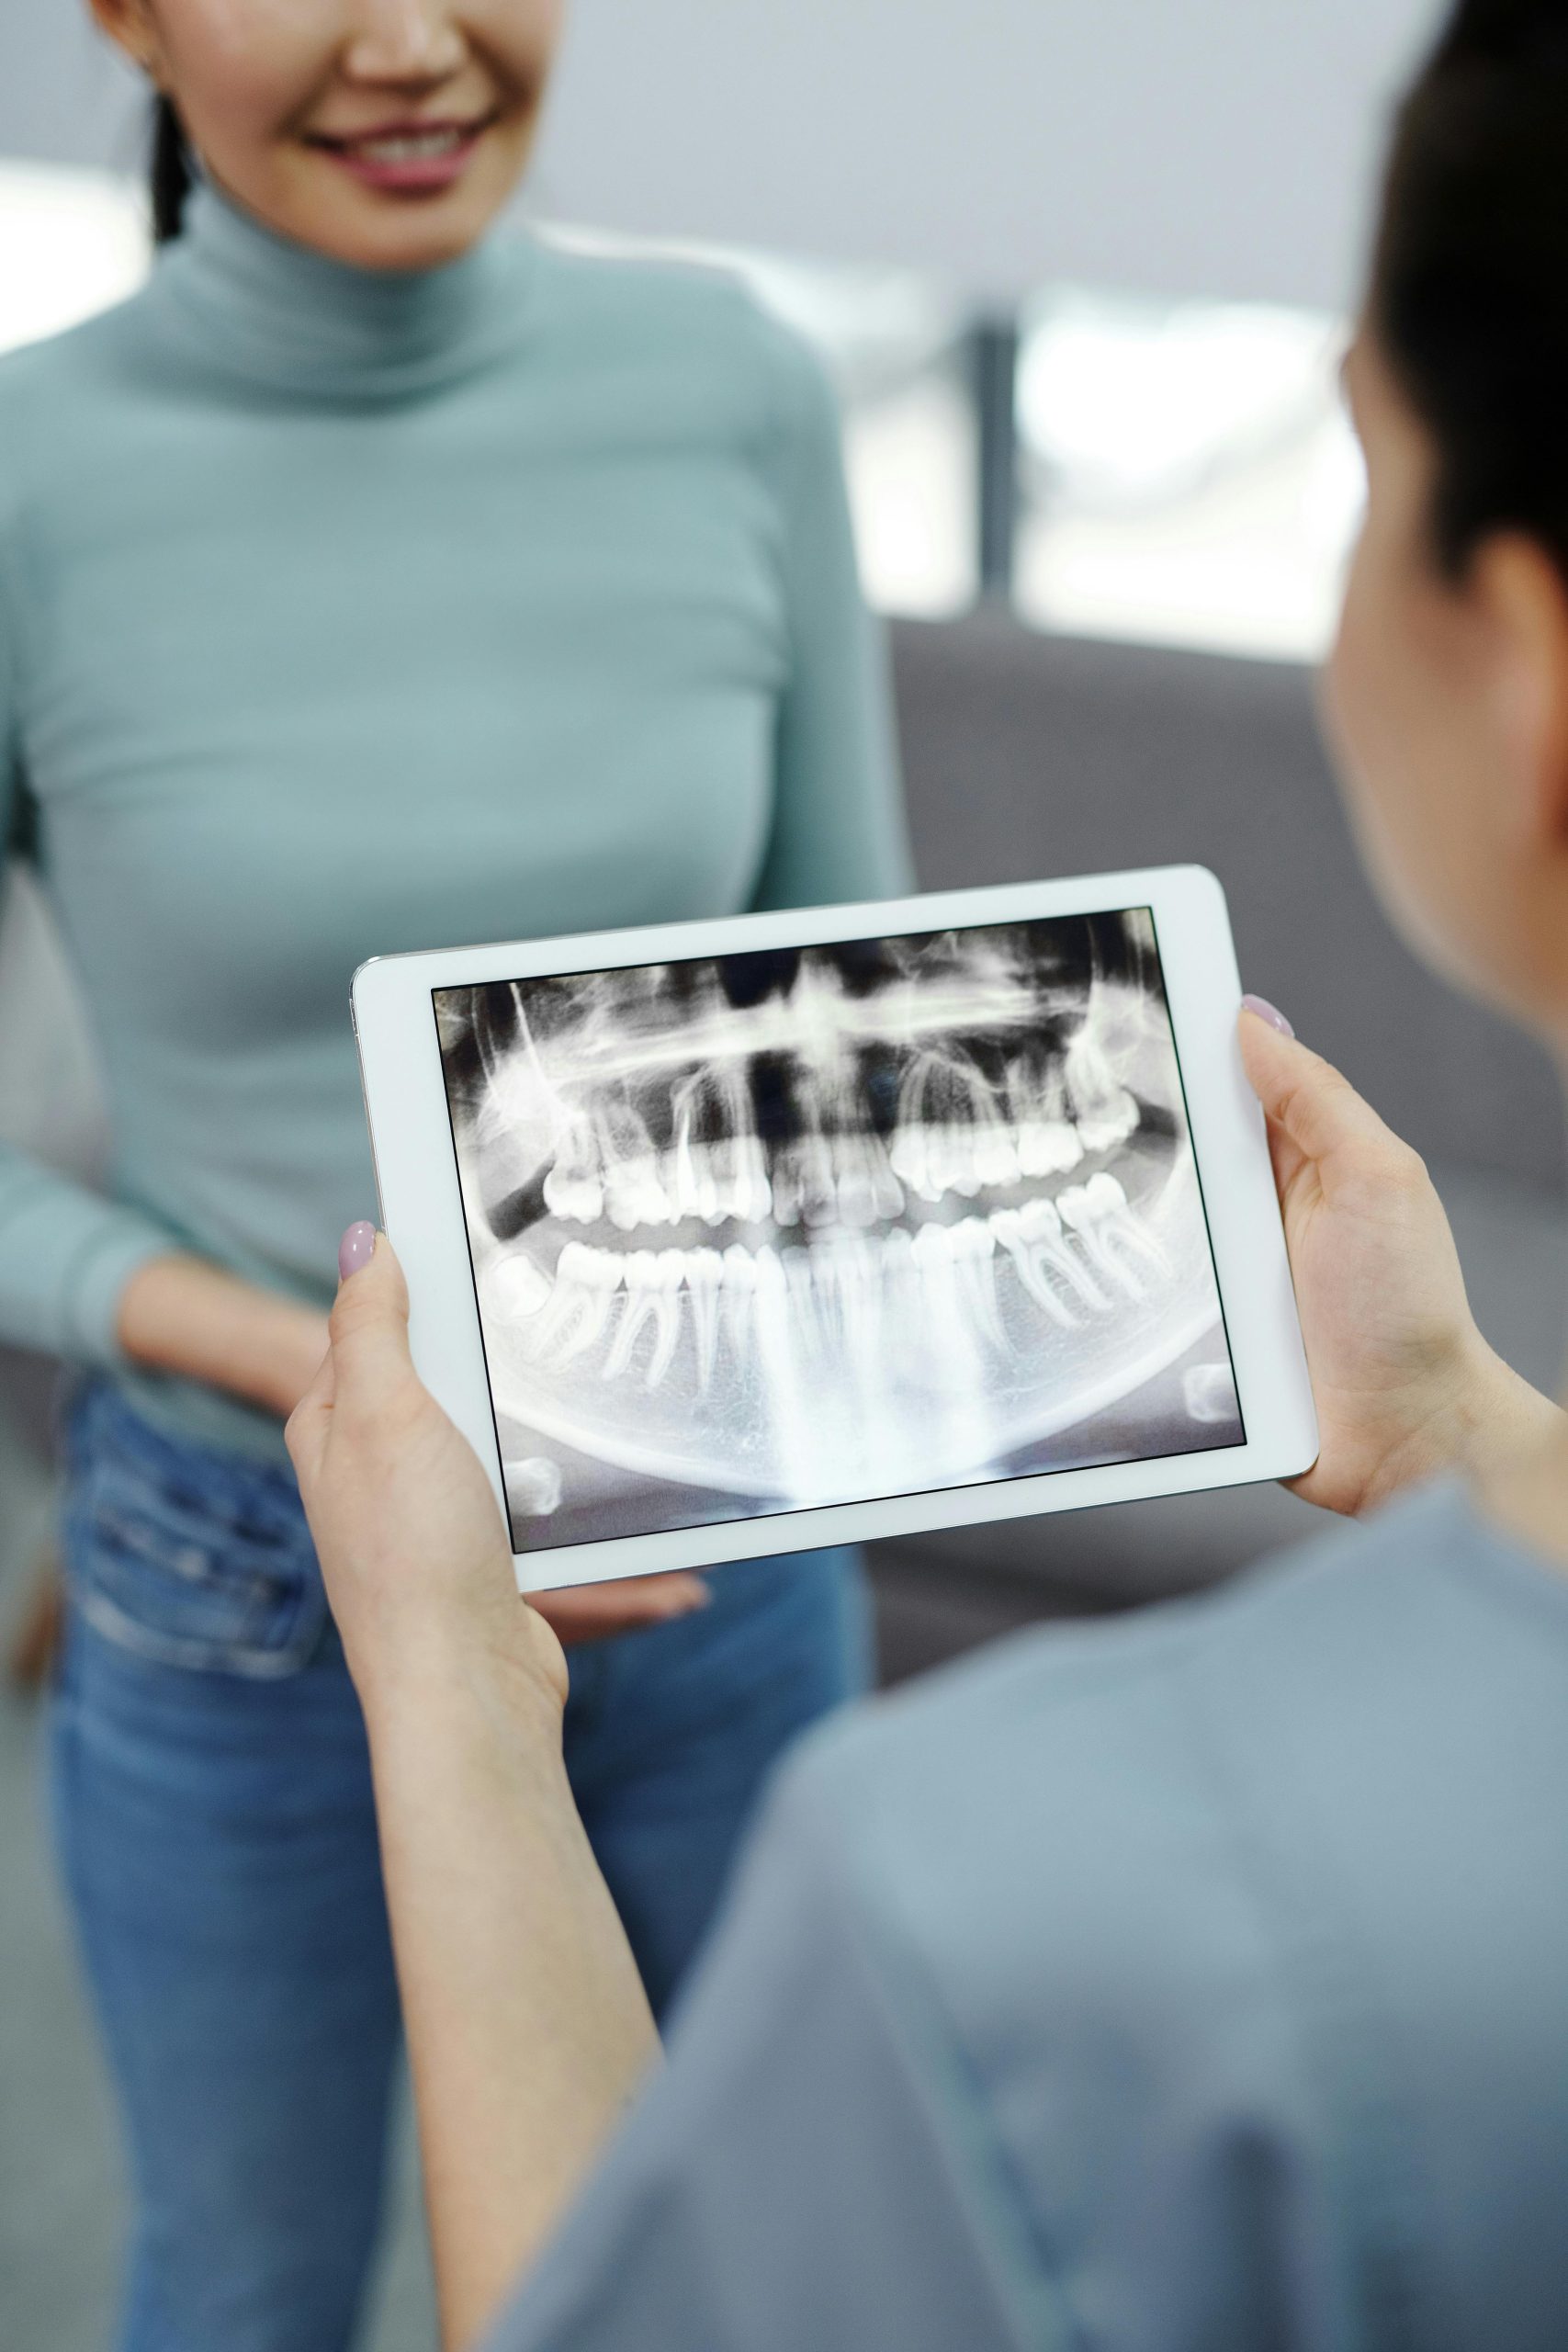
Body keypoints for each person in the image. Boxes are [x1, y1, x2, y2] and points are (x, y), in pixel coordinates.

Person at [288, 3, 1568, 2345]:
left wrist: (457, 1695)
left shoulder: (1020, 1910)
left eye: (1360, 459)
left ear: (1526, 671)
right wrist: (1456, 1429)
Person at [0, 1, 911, 2344]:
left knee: (760, 2248)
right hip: (243, 1562)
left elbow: (851, 1007)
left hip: (712, 1532)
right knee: (253, 2277)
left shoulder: (734, 386)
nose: (411, 45)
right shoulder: (32, 475)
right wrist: (306, 1368)